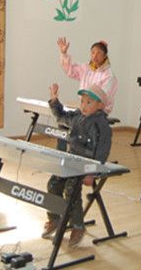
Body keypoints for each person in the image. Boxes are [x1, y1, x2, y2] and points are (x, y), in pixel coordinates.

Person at [41, 83, 112, 248]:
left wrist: (91, 172)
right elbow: (61, 117)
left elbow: (101, 154)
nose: (84, 106)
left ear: (100, 105)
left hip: (85, 165)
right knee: (53, 184)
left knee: (71, 189)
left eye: (89, 102)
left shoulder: (101, 125)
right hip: (71, 161)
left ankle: (78, 226)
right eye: (82, 101)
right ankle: (54, 218)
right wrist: (54, 99)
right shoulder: (78, 116)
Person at [56, 37, 118, 114]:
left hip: (99, 113)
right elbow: (70, 70)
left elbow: (103, 98)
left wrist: (89, 107)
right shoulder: (86, 68)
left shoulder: (109, 75)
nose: (95, 56)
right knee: (64, 116)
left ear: (105, 55)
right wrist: (64, 54)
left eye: (98, 53)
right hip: (84, 109)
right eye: (93, 53)